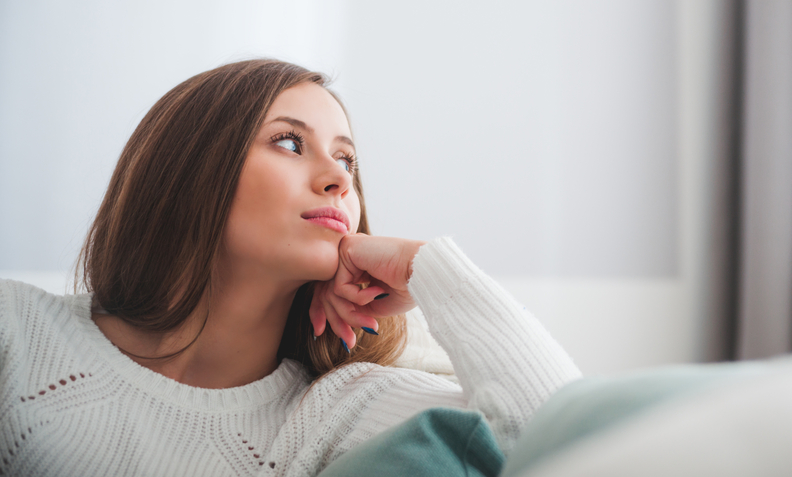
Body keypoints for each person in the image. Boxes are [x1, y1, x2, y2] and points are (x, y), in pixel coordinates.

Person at [0, 59, 580, 476]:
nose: (339, 178)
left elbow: (569, 444)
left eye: (347, 158)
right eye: (288, 143)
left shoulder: (333, 411)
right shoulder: (17, 332)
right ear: (188, 171)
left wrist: (425, 269)